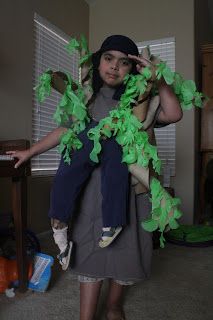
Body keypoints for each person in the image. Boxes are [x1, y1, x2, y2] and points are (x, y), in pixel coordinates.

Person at [8, 35, 182, 320]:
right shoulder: (85, 98)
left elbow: (174, 114)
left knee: (125, 248)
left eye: (124, 62)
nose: (114, 67)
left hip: (128, 189)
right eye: (108, 59)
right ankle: (86, 315)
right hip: (91, 190)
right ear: (98, 61)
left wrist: (159, 80)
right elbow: (63, 133)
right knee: (90, 248)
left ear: (133, 68)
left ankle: (114, 306)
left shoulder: (140, 99)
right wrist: (30, 153)